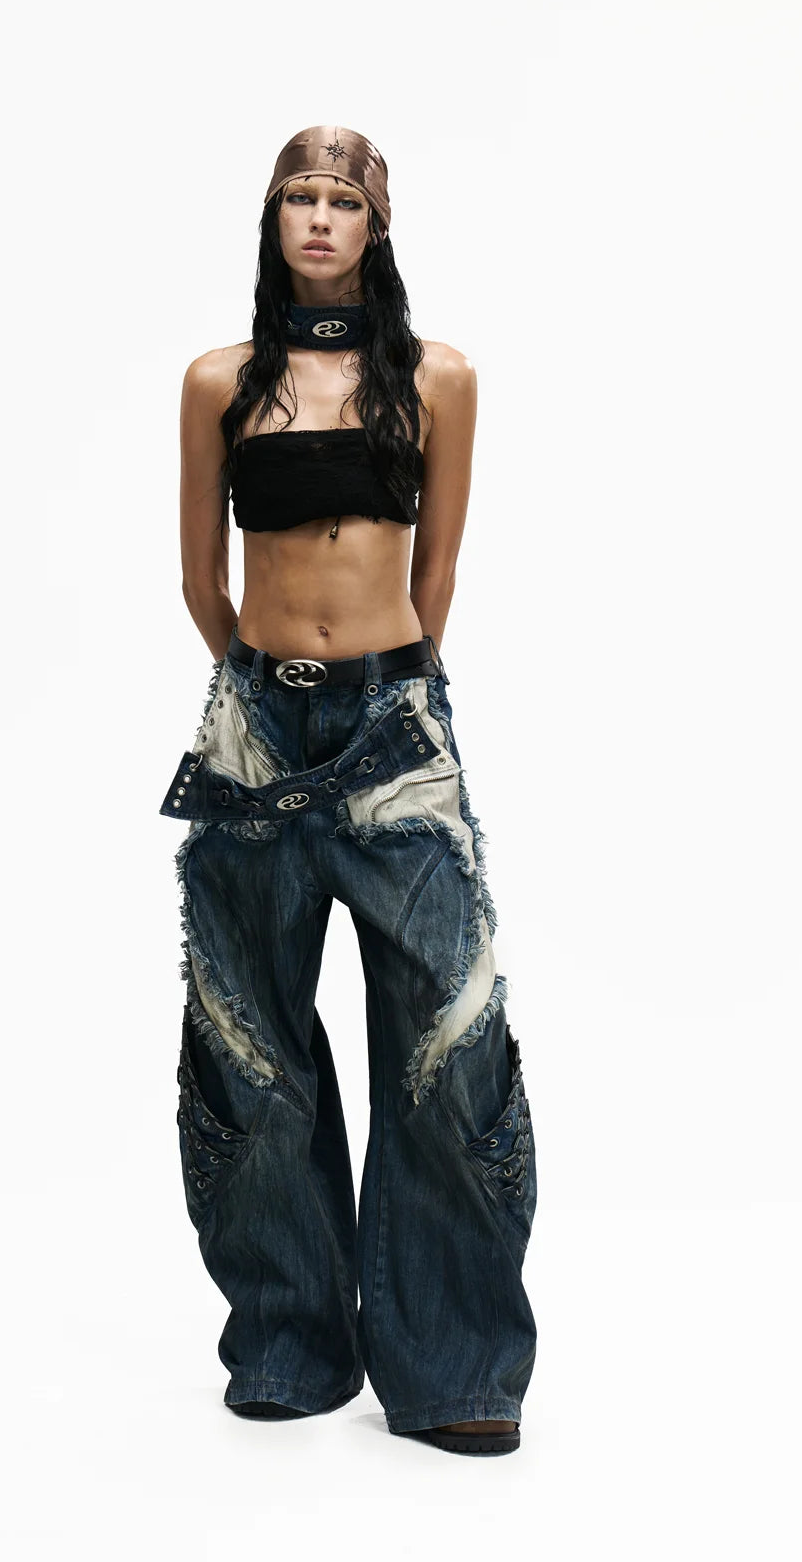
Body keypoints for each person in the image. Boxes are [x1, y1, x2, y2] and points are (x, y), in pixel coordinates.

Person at [161, 124, 537, 1455]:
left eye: (342, 202)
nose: (319, 219)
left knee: (449, 1034)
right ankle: (288, 1341)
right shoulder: (220, 380)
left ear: (377, 227)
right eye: (298, 199)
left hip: (393, 719)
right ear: (273, 222)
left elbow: (438, 572)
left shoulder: (438, 377)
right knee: (249, 1044)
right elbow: (199, 576)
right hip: (257, 727)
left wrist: (388, 685)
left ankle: (453, 1366)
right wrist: (268, 685)